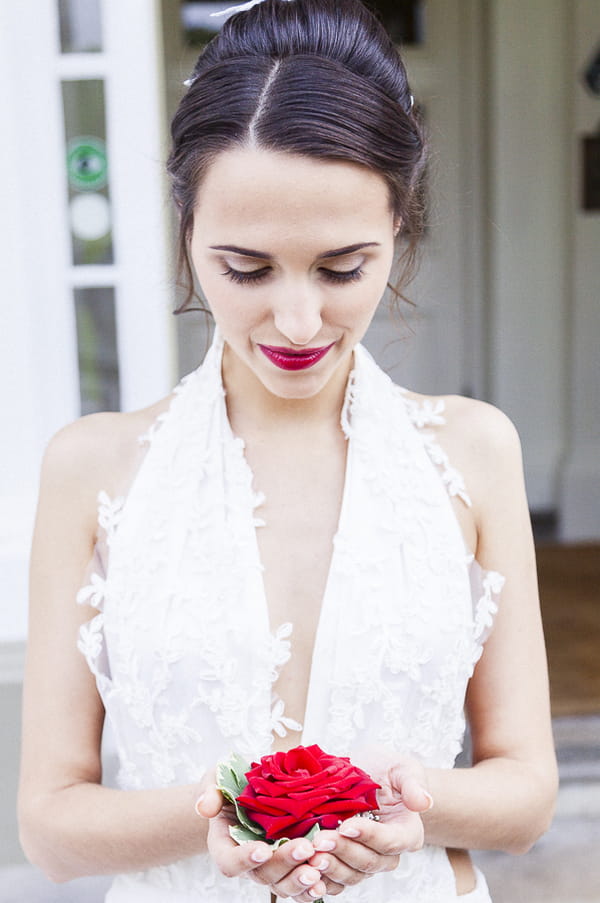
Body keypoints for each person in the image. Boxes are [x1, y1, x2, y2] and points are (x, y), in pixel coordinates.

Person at [18, 0, 558, 901]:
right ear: (187, 232)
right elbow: (50, 824)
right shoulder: (93, 466)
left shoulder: (474, 452)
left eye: (344, 268)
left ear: (401, 231)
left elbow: (528, 791)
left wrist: (413, 810)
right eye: (248, 268)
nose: (300, 321)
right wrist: (215, 809)